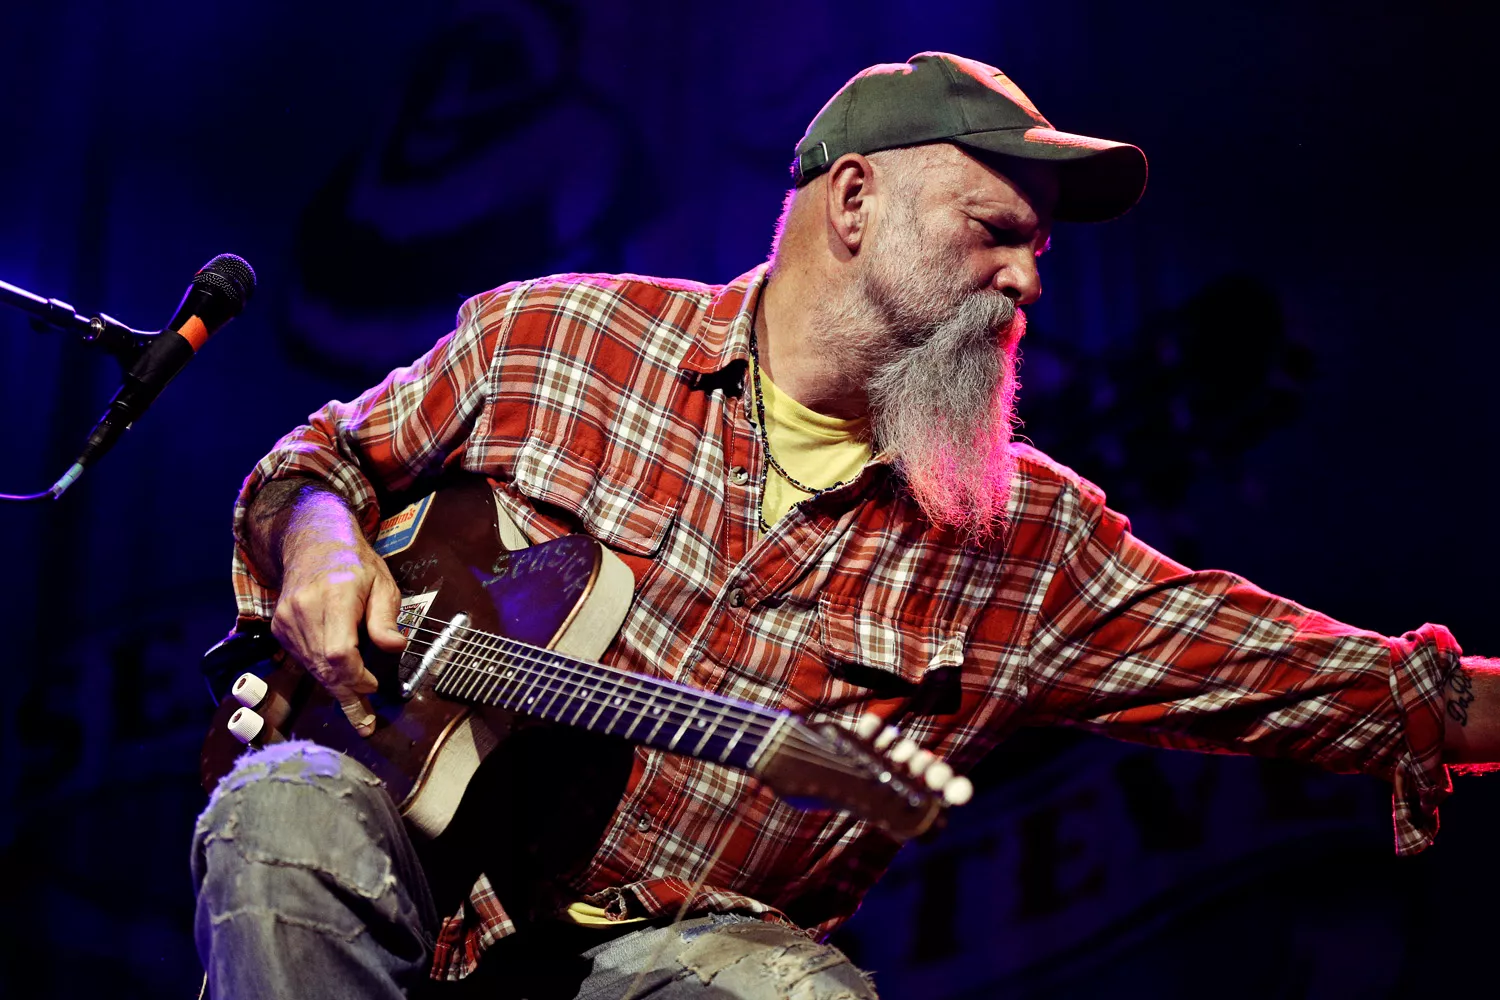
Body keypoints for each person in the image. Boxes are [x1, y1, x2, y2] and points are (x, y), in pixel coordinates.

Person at [192, 52, 1500, 999]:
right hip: (404, 879)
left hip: (673, 962)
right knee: (283, 808)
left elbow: (1330, 683)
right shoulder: (558, 335)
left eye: (1041, 251)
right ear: (856, 201)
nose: (1029, 279)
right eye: (996, 231)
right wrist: (323, 544)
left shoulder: (1027, 545)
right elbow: (318, 462)